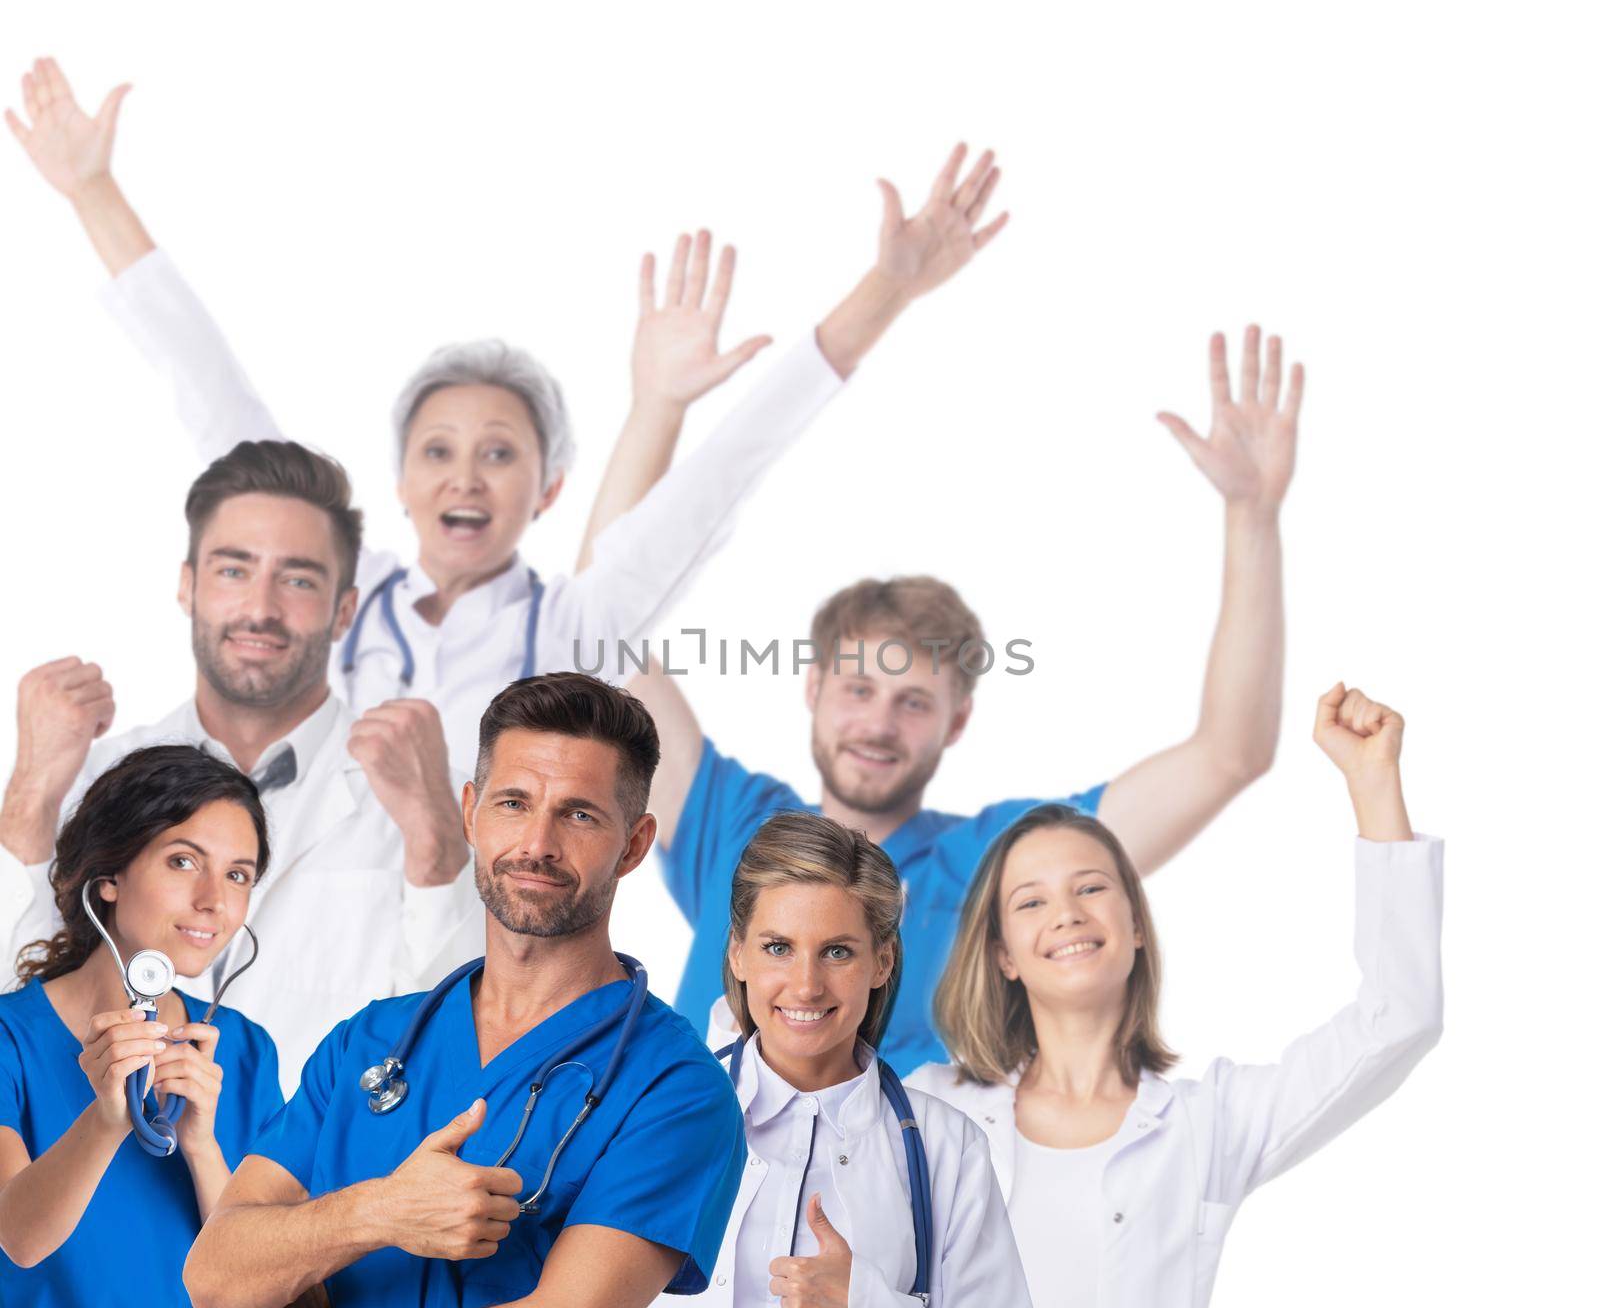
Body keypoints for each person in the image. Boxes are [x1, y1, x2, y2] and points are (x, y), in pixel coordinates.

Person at [8, 56, 1010, 776]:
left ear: (549, 490)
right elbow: (214, 396)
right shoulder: (331, 588)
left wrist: (885, 292)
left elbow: (724, 474)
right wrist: (94, 192)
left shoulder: (577, 628)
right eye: (438, 451)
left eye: (500, 454)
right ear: (397, 483)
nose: (465, 476)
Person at [634, 325, 1304, 1069]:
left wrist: (1253, 519)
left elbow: (1229, 755)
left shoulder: (999, 862)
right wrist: (657, 409)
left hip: (904, 1185)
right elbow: (612, 620)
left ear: (958, 721)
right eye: (859, 688)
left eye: (914, 701)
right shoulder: (731, 823)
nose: (879, 723)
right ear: (814, 687)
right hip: (701, 1182)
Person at [183, 673, 747, 1308]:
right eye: (514, 803)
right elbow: (217, 1272)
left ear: (635, 844)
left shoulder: (673, 1090)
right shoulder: (371, 1042)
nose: (537, 845)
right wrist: (383, 1209)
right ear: (471, 812)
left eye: (578, 815)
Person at [908, 683, 1444, 1308]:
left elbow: (1399, 1018)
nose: (1066, 913)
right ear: (1003, 956)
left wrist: (1373, 783)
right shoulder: (936, 1108)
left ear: (1134, 926)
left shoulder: (1206, 1124)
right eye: (1030, 902)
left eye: (1092, 888)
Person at [1, 439, 479, 1089]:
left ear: (344, 609)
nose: (261, 609)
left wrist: (435, 850)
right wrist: (29, 800)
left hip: (322, 1184)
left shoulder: (430, 807)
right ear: (186, 584)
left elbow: (453, 1055)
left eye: (299, 579)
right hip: (112, 1171)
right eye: (233, 570)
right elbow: (14, 1028)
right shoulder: (84, 782)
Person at [606, 811, 1041, 1308]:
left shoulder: (945, 1150)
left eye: (837, 951)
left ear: (882, 961)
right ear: (737, 953)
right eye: (778, 947)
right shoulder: (655, 1118)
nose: (805, 985)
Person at [0, 745, 282, 1308]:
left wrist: (202, 1146)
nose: (213, 901)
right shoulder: (11, 1039)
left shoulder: (242, 1053)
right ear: (110, 878)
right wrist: (105, 1121)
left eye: (237, 874)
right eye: (183, 861)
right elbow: (20, 1238)